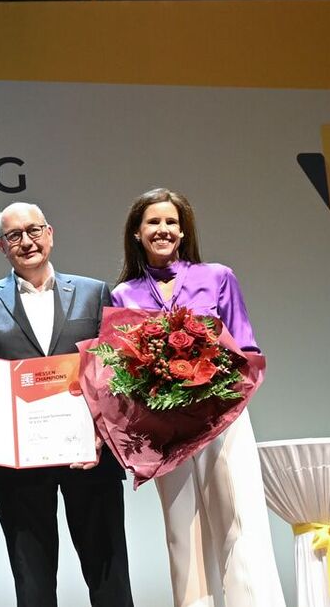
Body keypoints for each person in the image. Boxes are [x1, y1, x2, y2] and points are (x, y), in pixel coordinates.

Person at [112, 188, 284, 607]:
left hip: (221, 419)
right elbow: (120, 370)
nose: (163, 230)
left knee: (238, 524)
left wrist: (216, 386)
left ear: (184, 230)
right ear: (137, 232)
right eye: (153, 222)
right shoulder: (123, 295)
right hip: (166, 428)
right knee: (181, 535)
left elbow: (247, 349)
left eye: (171, 222)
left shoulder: (217, 276)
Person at [0, 203, 132, 607]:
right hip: (18, 462)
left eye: (34, 230)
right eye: (14, 235)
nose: (27, 241)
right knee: (32, 582)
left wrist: (103, 433)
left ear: (50, 234)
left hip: (89, 453)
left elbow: (112, 370)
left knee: (109, 575)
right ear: (2, 246)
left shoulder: (94, 292)